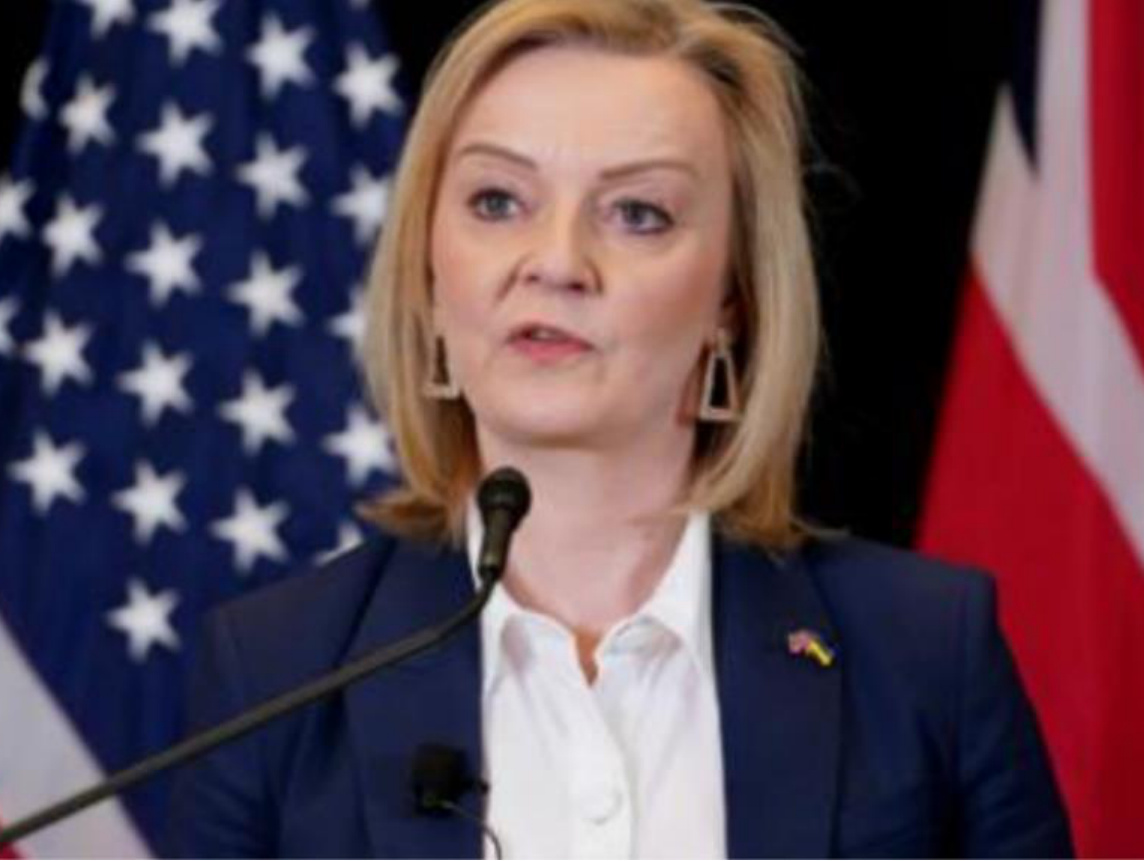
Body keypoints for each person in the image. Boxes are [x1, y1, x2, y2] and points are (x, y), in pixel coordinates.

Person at [172, 0, 1074, 856]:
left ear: (733, 298)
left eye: (637, 213)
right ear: (429, 272)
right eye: (498, 201)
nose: (556, 261)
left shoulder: (924, 655)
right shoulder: (278, 676)